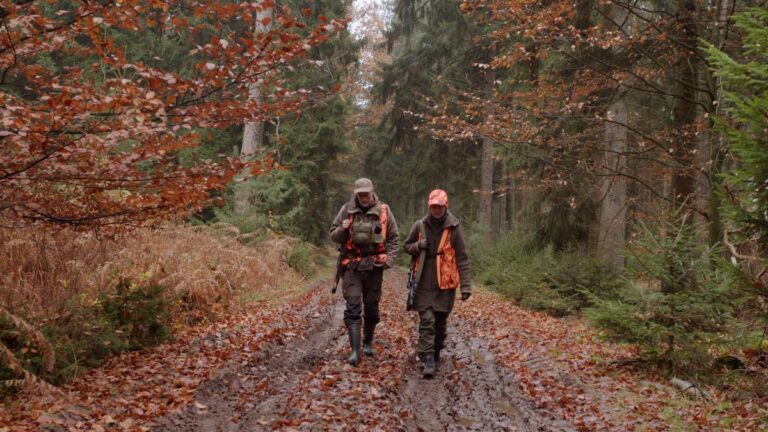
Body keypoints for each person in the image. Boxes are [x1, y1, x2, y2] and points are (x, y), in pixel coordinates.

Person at [330, 178, 399, 366]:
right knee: (353, 306)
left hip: (375, 266)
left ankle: (367, 342)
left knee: (371, 308)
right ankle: (355, 351)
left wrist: (389, 261)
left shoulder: (384, 210)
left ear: (372, 192)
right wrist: (342, 230)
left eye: (366, 194)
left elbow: (393, 238)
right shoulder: (346, 210)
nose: (363, 197)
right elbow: (333, 234)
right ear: (355, 194)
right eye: (360, 194)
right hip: (352, 265)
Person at [403, 189, 471, 378]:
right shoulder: (419, 225)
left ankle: (435, 352)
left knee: (440, 324)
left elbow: (463, 258)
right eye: (433, 206)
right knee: (427, 320)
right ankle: (428, 360)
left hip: (445, 284)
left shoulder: (455, 227)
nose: (436, 209)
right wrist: (418, 246)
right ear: (429, 206)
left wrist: (466, 286)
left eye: (439, 206)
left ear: (445, 206)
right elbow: (406, 246)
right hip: (423, 281)